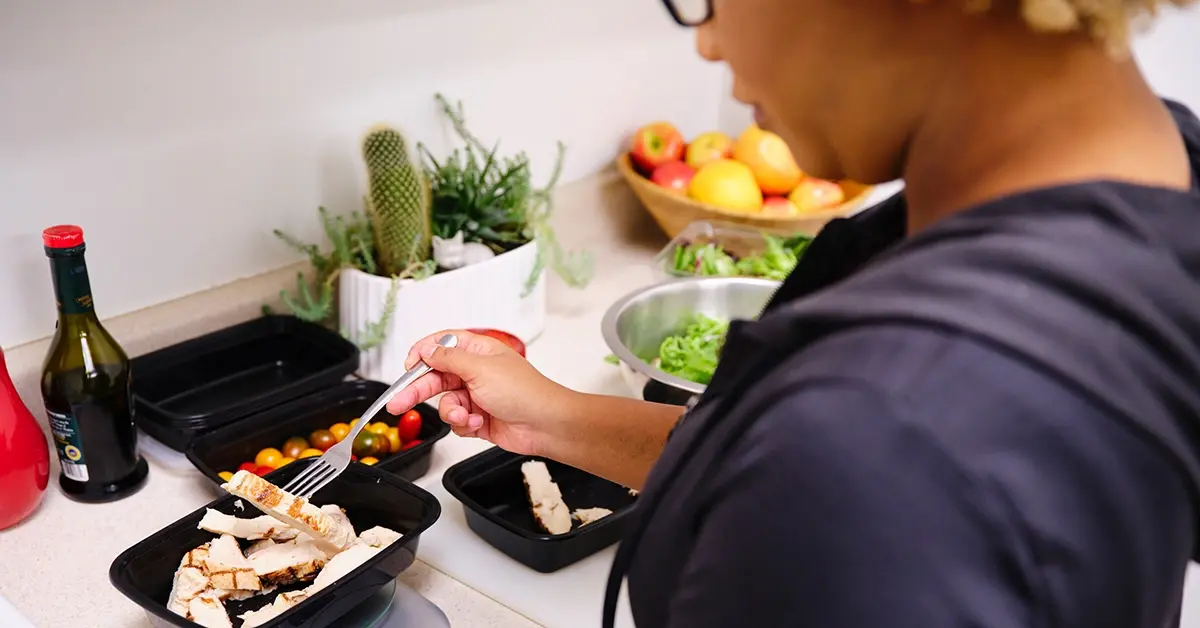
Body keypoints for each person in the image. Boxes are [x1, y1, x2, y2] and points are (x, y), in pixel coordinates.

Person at [389, 0, 1200, 625]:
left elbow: (849, 457)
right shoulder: (1157, 174)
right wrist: (557, 420)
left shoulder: (879, 443)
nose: (708, 41)